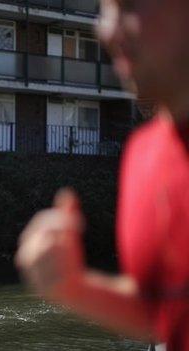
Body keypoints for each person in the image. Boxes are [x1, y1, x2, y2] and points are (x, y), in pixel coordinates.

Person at [15, 0, 189, 349]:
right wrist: (73, 287)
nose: (105, 30)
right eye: (104, 10)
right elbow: (164, 314)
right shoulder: (143, 154)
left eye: (129, 6)